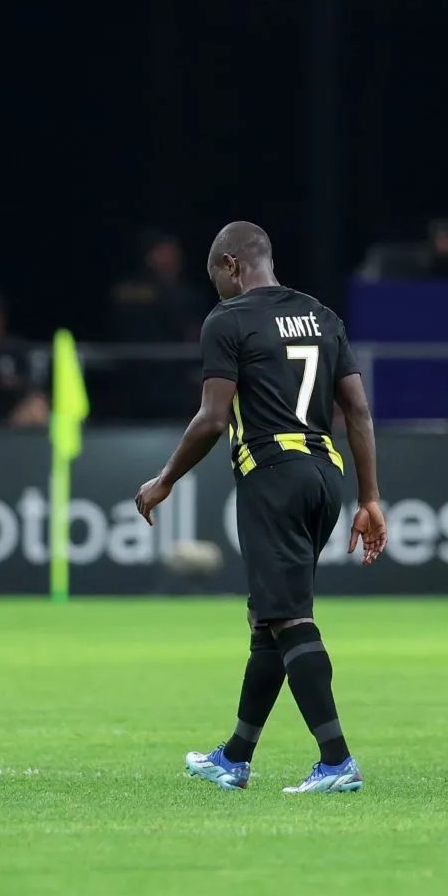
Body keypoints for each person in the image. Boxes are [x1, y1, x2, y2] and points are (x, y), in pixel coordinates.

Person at [134, 222, 387, 794]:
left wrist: (165, 479)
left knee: (290, 618)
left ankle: (336, 760)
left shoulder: (228, 321)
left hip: (272, 473)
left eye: (216, 280)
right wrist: (369, 498)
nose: (216, 292)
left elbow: (213, 418)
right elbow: (359, 412)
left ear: (231, 265)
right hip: (326, 476)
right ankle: (236, 756)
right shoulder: (322, 316)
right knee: (269, 618)